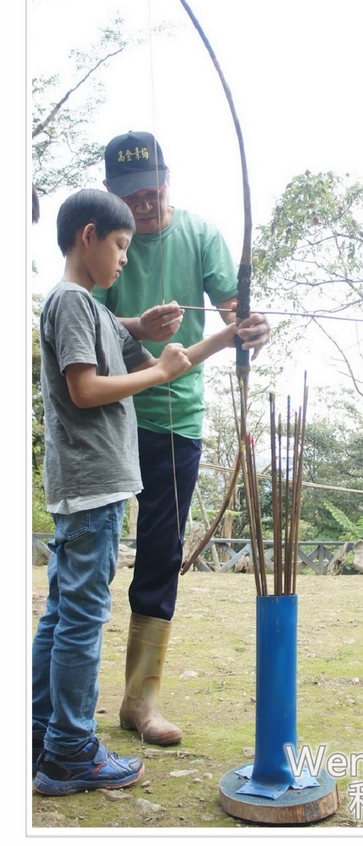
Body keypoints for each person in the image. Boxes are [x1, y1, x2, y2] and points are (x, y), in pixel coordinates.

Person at [32, 188, 237, 796]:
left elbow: (162, 363)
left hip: (91, 484)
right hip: (92, 484)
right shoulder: (72, 302)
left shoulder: (93, 312)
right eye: (121, 245)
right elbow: (86, 389)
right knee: (81, 618)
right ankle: (69, 752)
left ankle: (40, 733)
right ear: (88, 236)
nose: (127, 258)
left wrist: (226, 337)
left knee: (62, 613)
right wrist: (160, 371)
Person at [93, 130, 270, 746]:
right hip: (110, 413)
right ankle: (57, 700)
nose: (143, 206)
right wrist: (137, 325)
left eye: (151, 192)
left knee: (162, 552)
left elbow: (232, 308)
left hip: (176, 418)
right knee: (90, 549)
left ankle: (140, 700)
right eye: (129, 197)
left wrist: (247, 327)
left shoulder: (199, 234)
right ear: (111, 195)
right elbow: (84, 315)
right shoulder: (105, 242)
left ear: (167, 181)